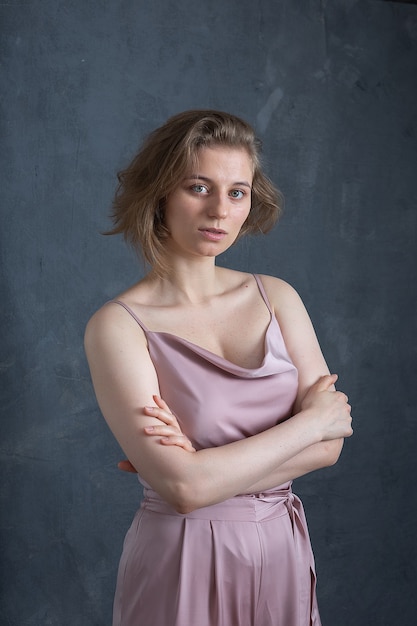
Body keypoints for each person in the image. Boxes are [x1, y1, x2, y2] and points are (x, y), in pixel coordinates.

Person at [84, 109, 353, 626]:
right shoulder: (118, 326)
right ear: (159, 193)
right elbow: (185, 492)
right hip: (180, 559)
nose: (219, 211)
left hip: (282, 552)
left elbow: (332, 446)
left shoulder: (277, 296)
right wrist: (309, 423)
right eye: (198, 187)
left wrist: (205, 473)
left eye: (237, 192)